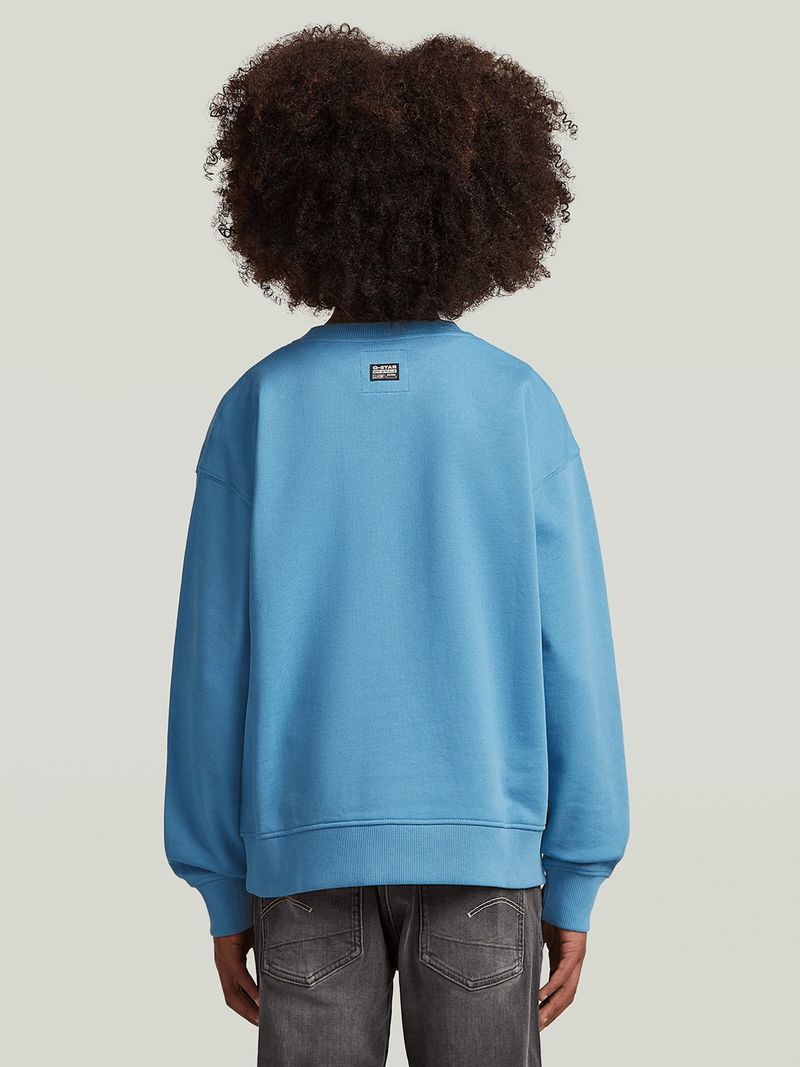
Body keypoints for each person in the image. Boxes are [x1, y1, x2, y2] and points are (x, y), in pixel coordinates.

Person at [163, 23, 629, 1067]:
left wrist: (220, 884)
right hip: (485, 854)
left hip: (300, 856)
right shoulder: (515, 403)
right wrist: (577, 872)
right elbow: (576, 658)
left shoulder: (259, 408)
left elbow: (210, 667)